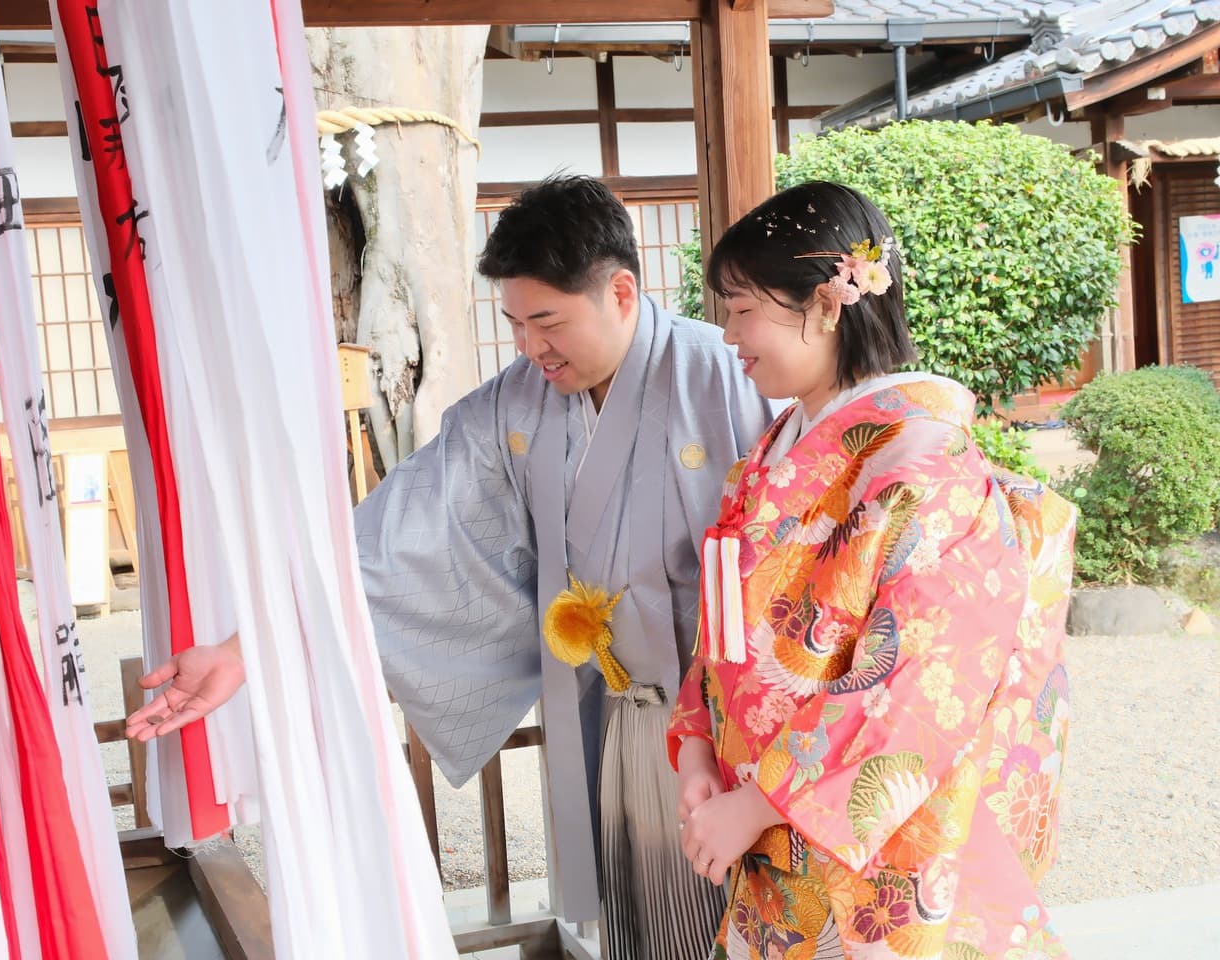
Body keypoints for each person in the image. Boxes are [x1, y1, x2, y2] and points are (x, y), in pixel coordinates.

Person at [127, 175, 774, 959]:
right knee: (645, 924)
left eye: (548, 321)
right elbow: (394, 533)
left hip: (735, 729)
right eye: (514, 324)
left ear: (623, 292)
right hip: (615, 723)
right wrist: (245, 651)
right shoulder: (517, 408)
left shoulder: (727, 377)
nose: (531, 348)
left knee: (745, 921)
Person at [667, 180, 1076, 960]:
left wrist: (761, 799)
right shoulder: (772, 453)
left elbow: (921, 681)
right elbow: (724, 631)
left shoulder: (927, 462)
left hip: (872, 854)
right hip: (770, 836)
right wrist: (696, 748)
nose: (728, 335)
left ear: (826, 304)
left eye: (743, 308)